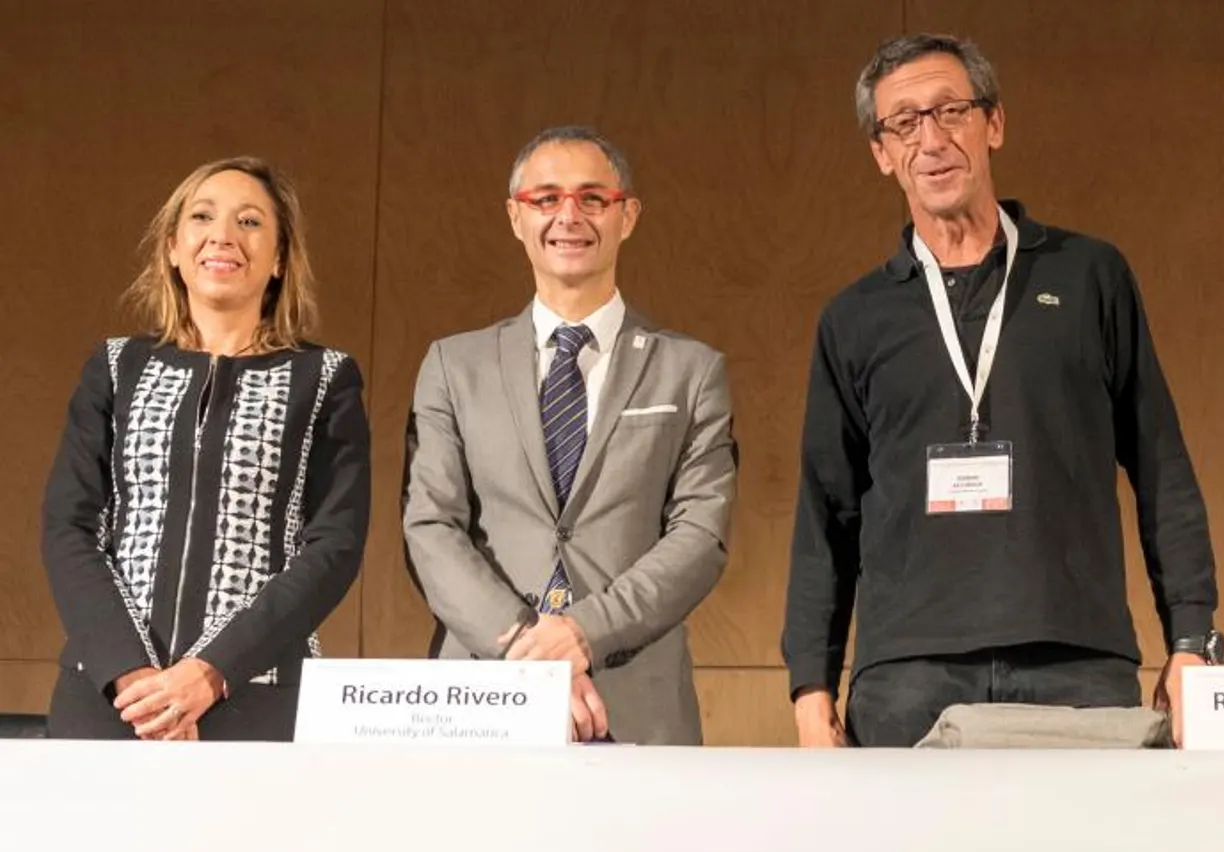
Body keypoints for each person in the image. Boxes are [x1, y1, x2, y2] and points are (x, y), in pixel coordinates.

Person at [782, 33, 1221, 749]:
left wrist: (1191, 635)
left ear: (994, 124)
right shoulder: (855, 317)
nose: (932, 138)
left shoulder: (1089, 276)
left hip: (1076, 658)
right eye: (905, 122)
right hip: (906, 673)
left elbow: (1162, 466)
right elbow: (824, 514)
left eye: (951, 110)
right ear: (881, 153)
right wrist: (811, 682)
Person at [402, 125, 737, 745]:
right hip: (483, 691)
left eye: (592, 198)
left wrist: (582, 632)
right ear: (514, 216)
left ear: (627, 215)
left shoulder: (691, 370)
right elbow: (431, 527)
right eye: (546, 199)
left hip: (636, 697)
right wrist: (530, 654)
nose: (568, 216)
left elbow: (700, 535)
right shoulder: (454, 365)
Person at [40, 157, 371, 742]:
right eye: (201, 217)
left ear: (279, 259)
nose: (223, 235)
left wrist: (208, 675)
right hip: (111, 698)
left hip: (261, 697)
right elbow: (70, 527)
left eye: (249, 222)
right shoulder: (116, 368)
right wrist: (134, 679)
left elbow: (333, 546)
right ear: (172, 247)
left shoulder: (324, 378)